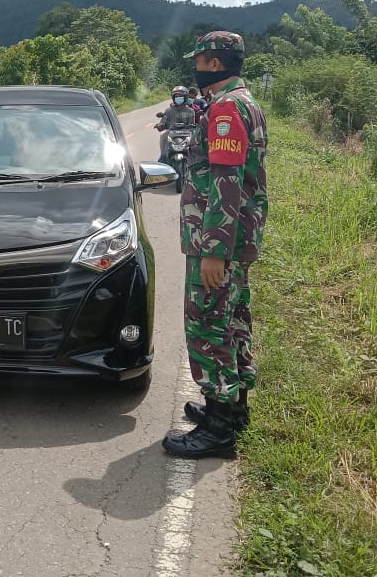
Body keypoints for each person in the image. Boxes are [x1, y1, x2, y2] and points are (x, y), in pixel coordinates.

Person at [163, 30, 268, 459]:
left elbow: (226, 182)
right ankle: (232, 409)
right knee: (233, 319)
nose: (197, 67)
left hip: (220, 241)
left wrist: (214, 251)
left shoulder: (226, 109)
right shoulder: (243, 101)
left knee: (208, 324)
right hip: (235, 238)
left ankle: (218, 430)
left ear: (214, 62)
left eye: (200, 61)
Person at [155, 85, 197, 161]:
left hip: (186, 134)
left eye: (180, 96)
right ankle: (163, 157)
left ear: (185, 97)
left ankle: (195, 158)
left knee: (195, 141)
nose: (178, 98)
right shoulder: (168, 110)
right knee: (163, 135)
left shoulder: (190, 111)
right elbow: (163, 123)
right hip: (171, 134)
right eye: (176, 96)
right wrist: (160, 126)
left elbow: (192, 125)